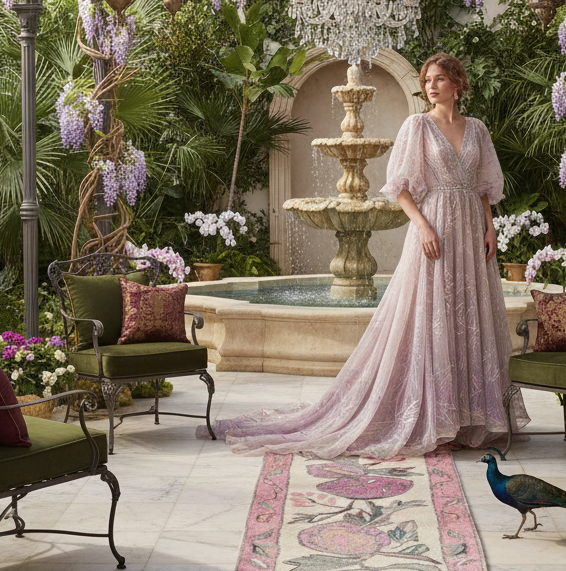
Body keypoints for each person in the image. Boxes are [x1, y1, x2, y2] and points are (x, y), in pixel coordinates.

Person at [205, 52, 529, 458]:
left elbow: (484, 187)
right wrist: (424, 226)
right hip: (434, 231)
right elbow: (400, 188)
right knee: (435, 317)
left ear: (457, 84)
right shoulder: (417, 126)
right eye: (428, 79)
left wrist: (490, 226)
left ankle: (471, 419)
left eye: (440, 79)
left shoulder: (477, 130)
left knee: (471, 316)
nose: (432, 85)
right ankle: (435, 416)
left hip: (471, 232)